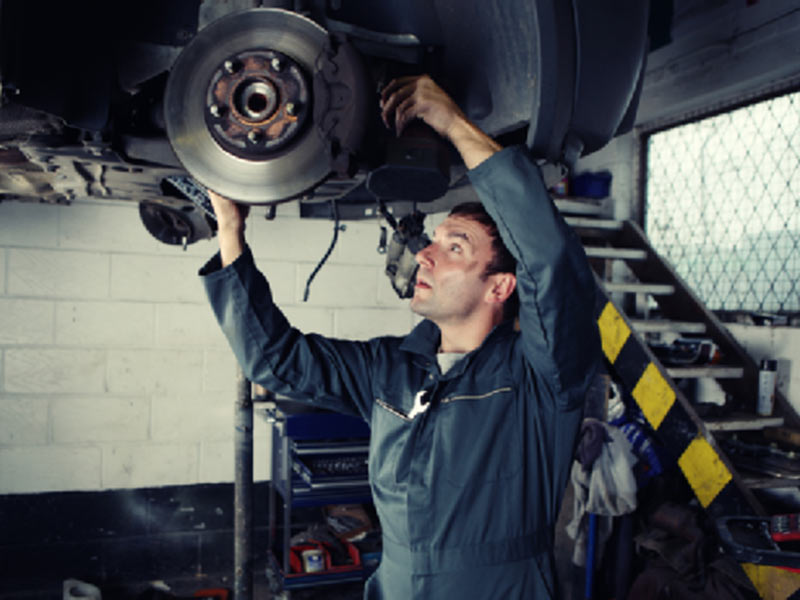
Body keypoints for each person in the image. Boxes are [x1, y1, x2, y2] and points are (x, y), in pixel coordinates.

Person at [200, 75, 602, 599]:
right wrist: (230, 231)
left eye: (455, 247)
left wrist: (453, 123)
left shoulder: (540, 376)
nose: (425, 256)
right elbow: (275, 361)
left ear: (501, 285)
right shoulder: (392, 367)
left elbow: (550, 260)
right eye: (432, 242)